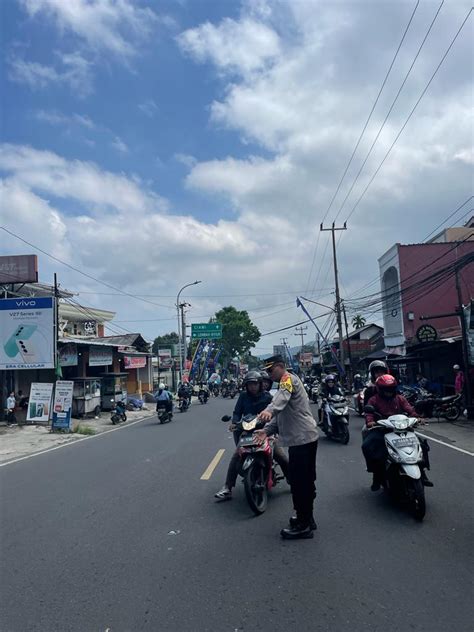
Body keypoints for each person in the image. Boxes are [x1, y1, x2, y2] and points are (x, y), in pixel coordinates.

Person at [254, 355, 319, 540]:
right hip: (303, 437)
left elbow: (279, 402)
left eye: (271, 370)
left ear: (281, 367)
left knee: (300, 483)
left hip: (302, 439)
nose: (268, 374)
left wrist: (269, 410)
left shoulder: (287, 380)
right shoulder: (284, 383)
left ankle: (303, 524)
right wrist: (266, 431)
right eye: (267, 371)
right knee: (305, 481)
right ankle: (307, 518)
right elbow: (280, 417)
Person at [214, 370, 289, 501]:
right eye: (249, 384)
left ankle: (292, 480)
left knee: (281, 456)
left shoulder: (268, 397)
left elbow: (275, 413)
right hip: (247, 432)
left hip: (266, 431)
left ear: (260, 384)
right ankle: (227, 487)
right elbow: (237, 412)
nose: (252, 387)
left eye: (255, 384)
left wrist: (272, 427)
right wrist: (234, 423)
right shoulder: (243, 396)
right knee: (236, 456)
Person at [362, 375, 432, 491]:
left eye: (391, 389)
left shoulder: (400, 398)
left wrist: (418, 418)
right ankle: (376, 475)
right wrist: (370, 422)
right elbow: (369, 415)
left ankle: (423, 473)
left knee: (422, 445)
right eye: (386, 389)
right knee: (367, 446)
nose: (389, 392)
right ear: (380, 389)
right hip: (382, 430)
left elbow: (409, 409)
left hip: (402, 429)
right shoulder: (373, 400)